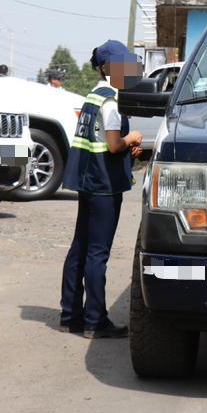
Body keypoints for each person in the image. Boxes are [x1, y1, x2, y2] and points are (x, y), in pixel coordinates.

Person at [59, 40, 145, 339]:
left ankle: (70, 315)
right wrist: (131, 137)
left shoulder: (94, 97)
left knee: (80, 248)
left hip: (89, 181)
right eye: (124, 66)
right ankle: (96, 321)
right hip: (104, 186)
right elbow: (111, 144)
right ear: (108, 68)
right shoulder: (111, 101)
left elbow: (106, 144)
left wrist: (126, 148)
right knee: (98, 254)